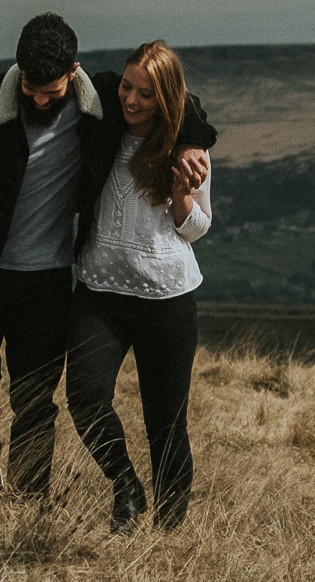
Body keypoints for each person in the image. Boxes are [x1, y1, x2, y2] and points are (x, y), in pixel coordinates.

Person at [0, 14, 214, 501]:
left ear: (74, 72)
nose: (38, 99)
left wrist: (190, 141)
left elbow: (174, 100)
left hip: (48, 283)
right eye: (31, 88)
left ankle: (31, 500)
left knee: (34, 399)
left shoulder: (98, 104)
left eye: (50, 92)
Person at [66, 40, 212, 532]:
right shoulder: (104, 126)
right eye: (128, 87)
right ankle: (125, 485)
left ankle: (167, 536)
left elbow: (198, 229)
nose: (131, 100)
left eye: (146, 94)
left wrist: (181, 199)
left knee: (166, 426)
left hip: (166, 300)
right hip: (99, 292)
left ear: (166, 98)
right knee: (85, 396)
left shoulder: (187, 152)